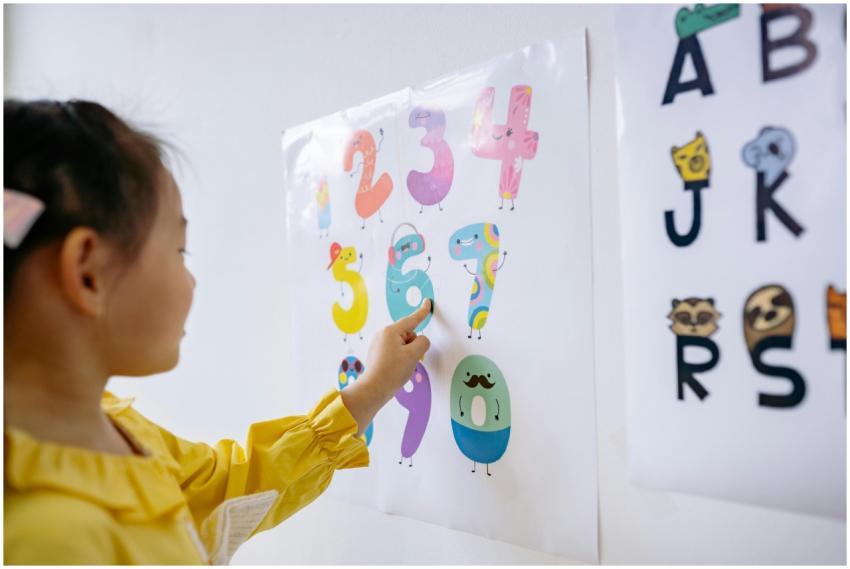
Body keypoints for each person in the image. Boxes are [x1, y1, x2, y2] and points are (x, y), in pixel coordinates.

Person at [3, 99, 432, 564]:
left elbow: (229, 486)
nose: (192, 279)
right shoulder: (42, 538)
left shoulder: (113, 428)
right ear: (90, 273)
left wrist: (368, 391)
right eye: (179, 252)